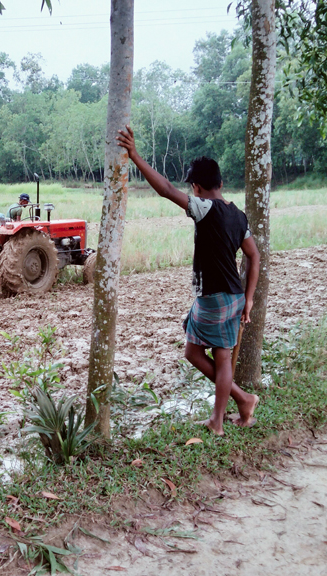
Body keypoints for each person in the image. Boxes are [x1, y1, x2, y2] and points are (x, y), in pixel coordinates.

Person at [117, 127, 261, 436]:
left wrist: (135, 156)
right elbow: (254, 256)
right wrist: (248, 299)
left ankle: (220, 421)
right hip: (235, 296)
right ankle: (242, 403)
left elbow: (167, 189)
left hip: (213, 297)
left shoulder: (203, 208)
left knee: (200, 355)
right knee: (211, 356)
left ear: (196, 187)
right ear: (220, 183)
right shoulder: (238, 215)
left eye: (192, 188)